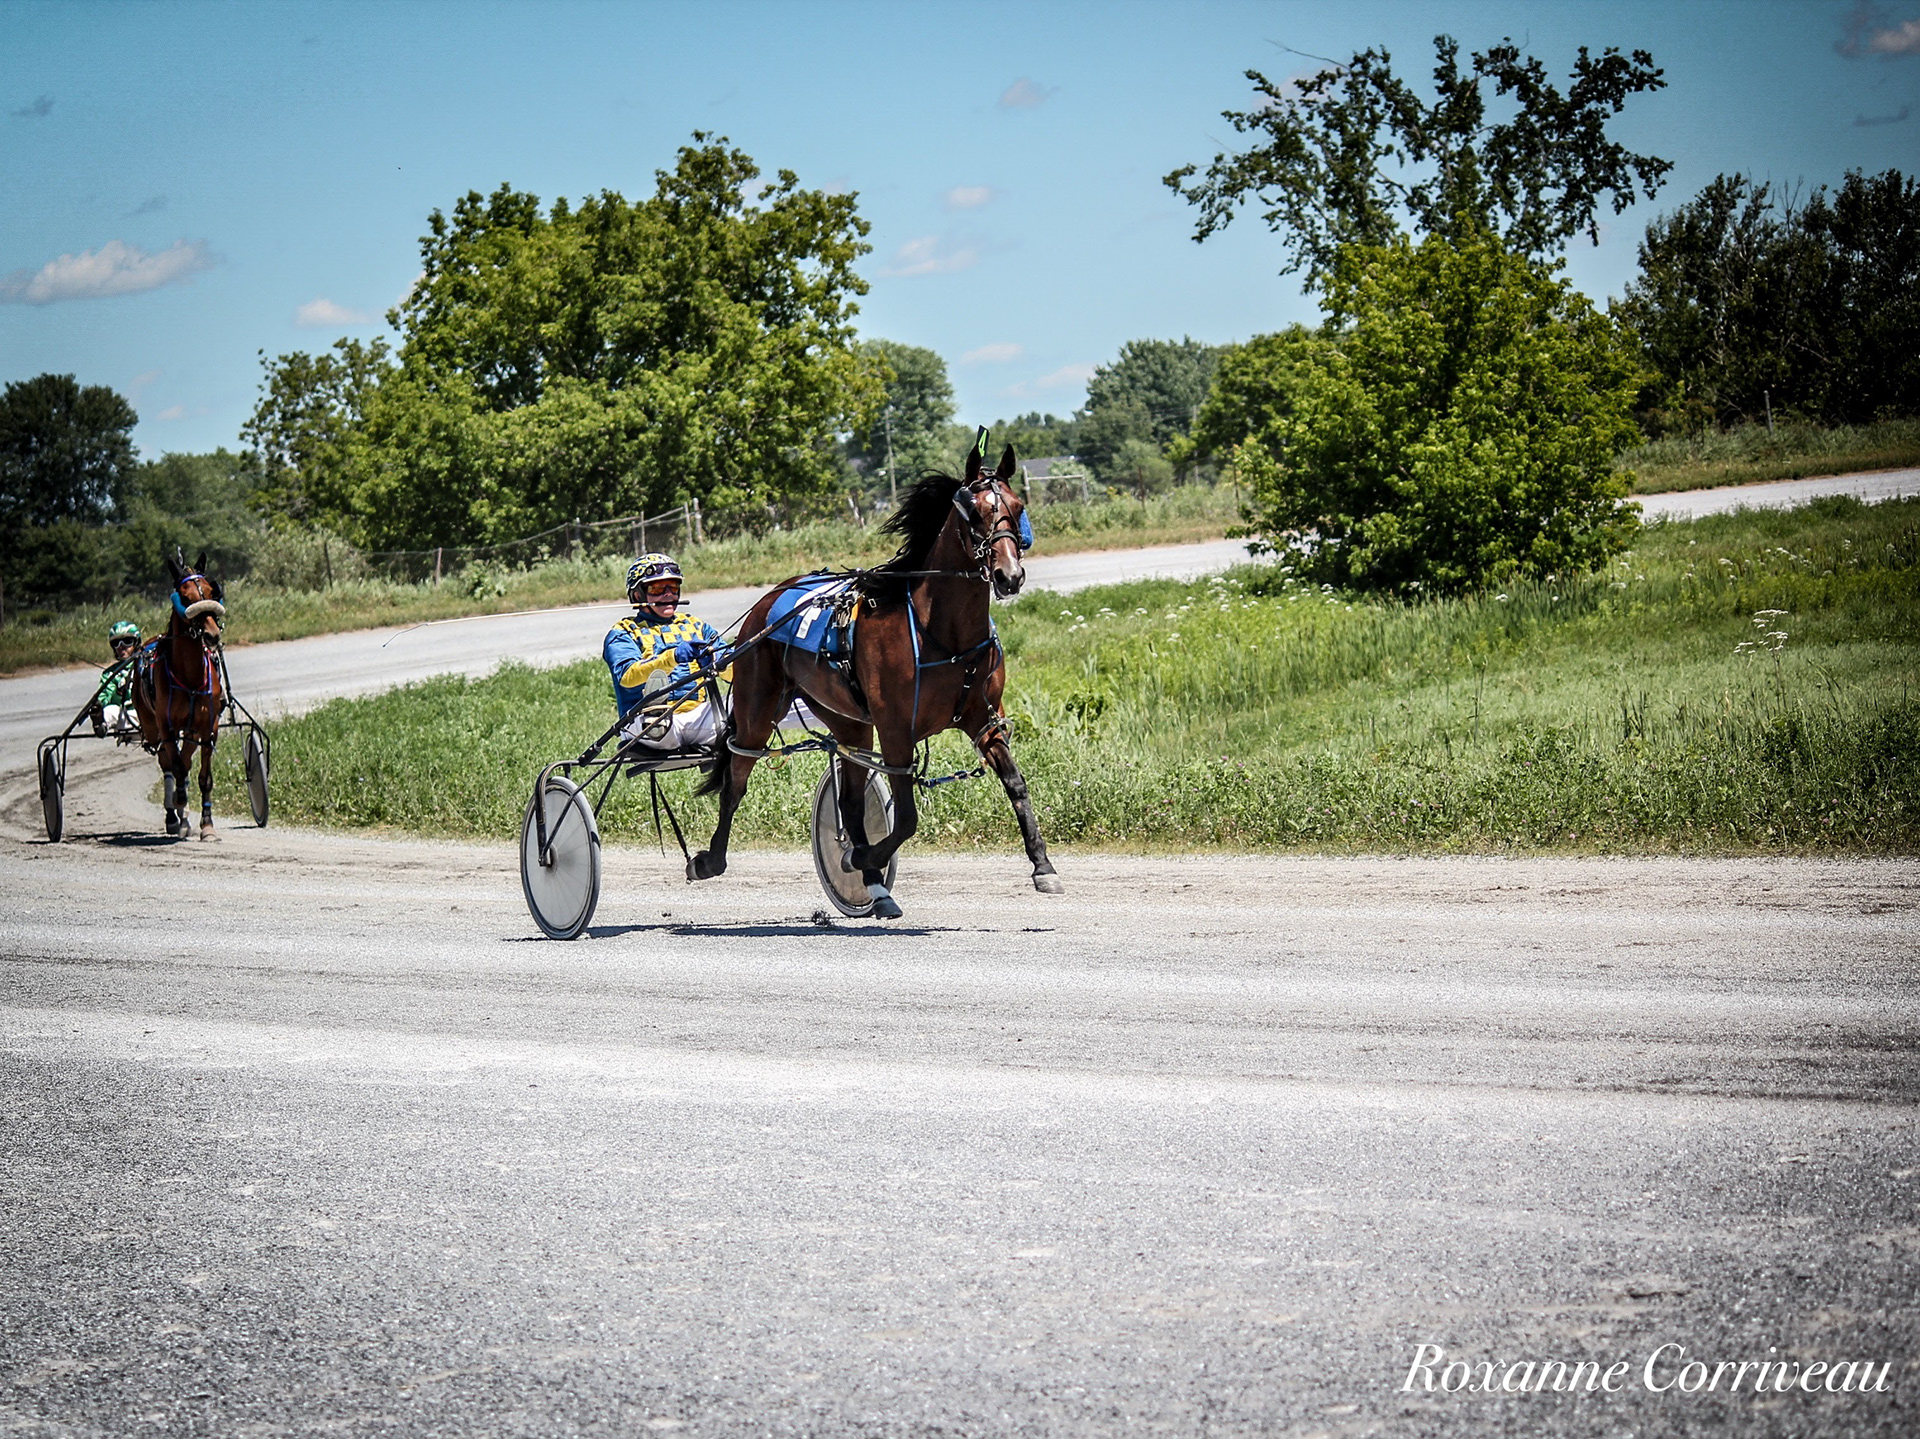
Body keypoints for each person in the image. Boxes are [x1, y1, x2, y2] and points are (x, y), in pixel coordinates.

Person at [603, 554, 730, 750]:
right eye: (658, 588)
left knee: (752, 700)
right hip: (641, 723)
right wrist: (673, 657)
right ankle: (656, 713)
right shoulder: (622, 631)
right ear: (638, 595)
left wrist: (717, 663)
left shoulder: (697, 626)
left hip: (699, 719)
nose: (668, 594)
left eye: (673, 587)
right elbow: (627, 676)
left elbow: (736, 674)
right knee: (657, 721)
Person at [90, 620, 143, 736]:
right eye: (116, 643)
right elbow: (103, 699)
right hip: (126, 717)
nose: (122, 647)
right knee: (110, 710)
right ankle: (101, 725)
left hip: (148, 713)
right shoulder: (109, 674)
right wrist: (118, 694)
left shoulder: (146, 664)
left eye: (127, 641)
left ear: (136, 643)